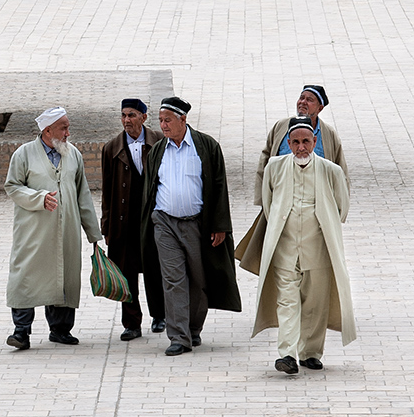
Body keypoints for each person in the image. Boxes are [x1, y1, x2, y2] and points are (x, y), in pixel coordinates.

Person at [138, 94, 241, 356]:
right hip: (164, 223)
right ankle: (178, 337)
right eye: (161, 120)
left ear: (183, 119)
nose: (163, 125)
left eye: (168, 120)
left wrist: (220, 225)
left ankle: (193, 329)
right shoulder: (158, 150)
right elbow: (150, 189)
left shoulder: (206, 146)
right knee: (173, 279)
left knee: (198, 279)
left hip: (197, 224)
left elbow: (219, 186)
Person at [253, 116, 357, 375]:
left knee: (315, 302)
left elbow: (342, 208)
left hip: (319, 248)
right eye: (296, 142)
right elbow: (269, 205)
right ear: (288, 143)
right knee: (287, 301)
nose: (301, 147)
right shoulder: (274, 168)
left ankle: (310, 353)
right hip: (285, 248)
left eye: (306, 142)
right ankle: (287, 353)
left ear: (314, 142)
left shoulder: (331, 171)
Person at [5, 107, 101, 350]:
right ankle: (21, 332)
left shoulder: (74, 155)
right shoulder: (23, 154)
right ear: (48, 130)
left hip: (67, 230)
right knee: (26, 277)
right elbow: (13, 187)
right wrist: (39, 198)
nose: (69, 133)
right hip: (34, 232)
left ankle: (60, 330)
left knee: (65, 276)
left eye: (68, 127)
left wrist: (93, 233)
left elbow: (83, 195)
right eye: (64, 128)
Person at [99, 97, 164, 340]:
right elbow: (106, 191)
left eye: (132, 115)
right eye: (124, 115)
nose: (127, 120)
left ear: (144, 118)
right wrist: (106, 226)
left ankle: (160, 315)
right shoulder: (111, 148)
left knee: (155, 268)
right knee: (127, 273)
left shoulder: (159, 141)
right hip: (123, 222)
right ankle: (131, 323)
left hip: (152, 219)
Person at [253, 84, 352, 212]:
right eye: (301, 98)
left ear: (320, 108)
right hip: (281, 200)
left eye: (309, 100)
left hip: (317, 204)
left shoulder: (328, 134)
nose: (303, 102)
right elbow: (265, 162)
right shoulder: (281, 126)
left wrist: (340, 207)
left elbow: (341, 171)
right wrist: (263, 200)